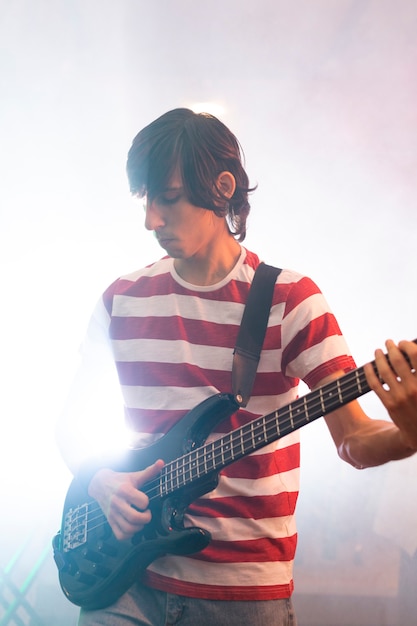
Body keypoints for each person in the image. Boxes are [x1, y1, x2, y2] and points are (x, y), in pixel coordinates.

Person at [56, 108, 417, 626]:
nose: (151, 220)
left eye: (169, 198)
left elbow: (353, 441)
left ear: (222, 188)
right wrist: (100, 481)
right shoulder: (122, 299)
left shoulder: (291, 301)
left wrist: (410, 433)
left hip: (241, 595)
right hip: (128, 582)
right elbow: (70, 427)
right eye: (146, 200)